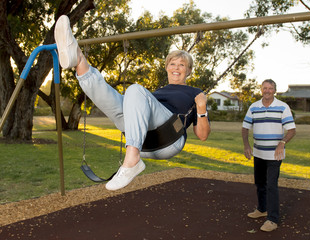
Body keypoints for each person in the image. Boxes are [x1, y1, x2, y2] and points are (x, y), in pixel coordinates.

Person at [54, 15, 211, 191]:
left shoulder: (195, 93)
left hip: (169, 138)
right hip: (143, 140)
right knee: (118, 97)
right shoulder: (156, 92)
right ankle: (78, 58)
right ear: (166, 67)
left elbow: (203, 135)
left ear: (188, 70)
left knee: (134, 90)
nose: (176, 68)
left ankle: (132, 160)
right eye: (172, 63)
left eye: (182, 65)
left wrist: (201, 107)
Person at [242, 79, 296, 232]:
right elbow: (245, 128)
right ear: (261, 90)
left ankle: (272, 219)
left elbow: (291, 130)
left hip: (274, 155)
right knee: (260, 183)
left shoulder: (282, 107)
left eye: (270, 88)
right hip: (258, 152)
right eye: (264, 88)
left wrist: (282, 143)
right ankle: (262, 209)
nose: (267, 90)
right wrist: (246, 145)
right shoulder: (254, 107)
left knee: (271, 186)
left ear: (275, 90)